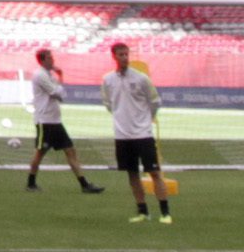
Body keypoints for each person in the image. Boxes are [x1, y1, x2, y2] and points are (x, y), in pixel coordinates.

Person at [104, 40, 175, 224]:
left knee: (154, 173)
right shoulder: (108, 80)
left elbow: (155, 101)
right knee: (132, 174)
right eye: (121, 54)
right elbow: (109, 104)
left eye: (126, 54)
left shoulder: (141, 78)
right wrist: (122, 119)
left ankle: (165, 212)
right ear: (114, 57)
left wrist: (145, 120)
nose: (125, 58)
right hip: (122, 135)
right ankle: (143, 211)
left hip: (143, 134)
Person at [22, 45, 101, 197]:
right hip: (45, 121)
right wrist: (59, 82)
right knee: (40, 153)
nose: (53, 60)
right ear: (43, 60)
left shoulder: (49, 75)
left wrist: (59, 81)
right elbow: (55, 92)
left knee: (70, 150)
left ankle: (84, 184)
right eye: (50, 57)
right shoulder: (40, 75)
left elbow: (61, 95)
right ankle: (31, 183)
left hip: (55, 121)